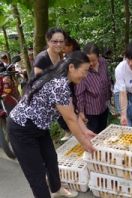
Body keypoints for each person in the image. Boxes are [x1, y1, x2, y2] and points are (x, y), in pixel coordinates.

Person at [7, 51, 96, 198]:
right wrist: (85, 144)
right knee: (36, 173)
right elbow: (70, 120)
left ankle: (56, 189)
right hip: (21, 128)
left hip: (40, 126)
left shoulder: (63, 80)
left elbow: (71, 110)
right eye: (85, 71)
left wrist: (85, 131)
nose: (85, 75)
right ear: (72, 67)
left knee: (51, 158)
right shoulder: (58, 84)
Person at [75, 43, 111, 133]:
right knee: (93, 133)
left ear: (98, 56)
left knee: (103, 132)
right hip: (91, 111)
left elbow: (107, 79)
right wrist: (81, 112)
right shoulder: (82, 70)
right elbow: (79, 93)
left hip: (103, 106)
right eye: (88, 61)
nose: (90, 64)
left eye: (93, 60)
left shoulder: (103, 62)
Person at [59, 35, 81, 141]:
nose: (63, 48)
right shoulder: (64, 57)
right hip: (67, 84)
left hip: (74, 85)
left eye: (65, 46)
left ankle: (75, 130)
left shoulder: (76, 56)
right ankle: (70, 130)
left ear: (71, 46)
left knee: (74, 106)